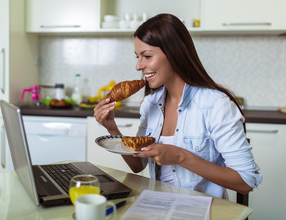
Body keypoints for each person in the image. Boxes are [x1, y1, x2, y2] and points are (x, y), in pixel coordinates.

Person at [93, 13, 262, 199]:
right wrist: (111, 127)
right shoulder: (151, 103)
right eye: (137, 57)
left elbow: (246, 182)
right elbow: (138, 165)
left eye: (147, 56)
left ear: (174, 53)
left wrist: (181, 157)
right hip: (158, 206)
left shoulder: (215, 105)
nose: (139, 66)